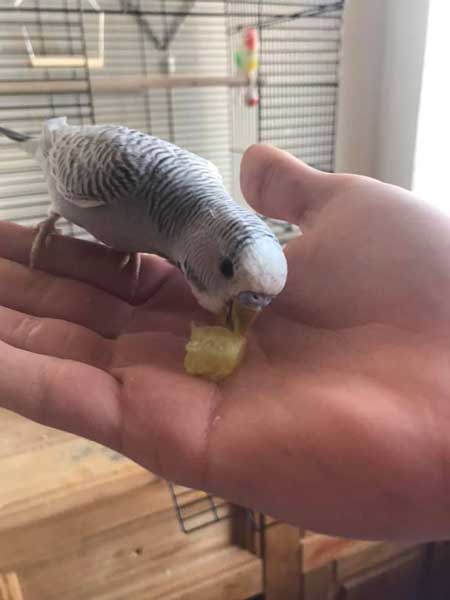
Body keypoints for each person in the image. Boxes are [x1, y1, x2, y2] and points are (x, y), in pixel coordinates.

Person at [1, 144, 450, 542]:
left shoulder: (203, 188)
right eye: (231, 275)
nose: (244, 312)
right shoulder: (118, 173)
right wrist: (54, 214)